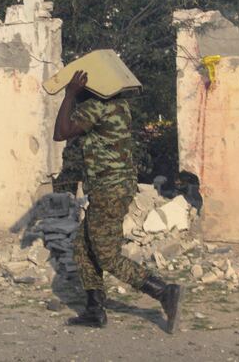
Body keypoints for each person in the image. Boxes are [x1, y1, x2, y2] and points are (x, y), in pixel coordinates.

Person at [52, 69, 184, 333]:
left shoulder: (95, 108)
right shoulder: (120, 105)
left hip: (107, 189)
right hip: (117, 187)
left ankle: (163, 291)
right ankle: (94, 310)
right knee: (83, 247)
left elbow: (61, 132)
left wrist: (69, 94)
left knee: (107, 256)